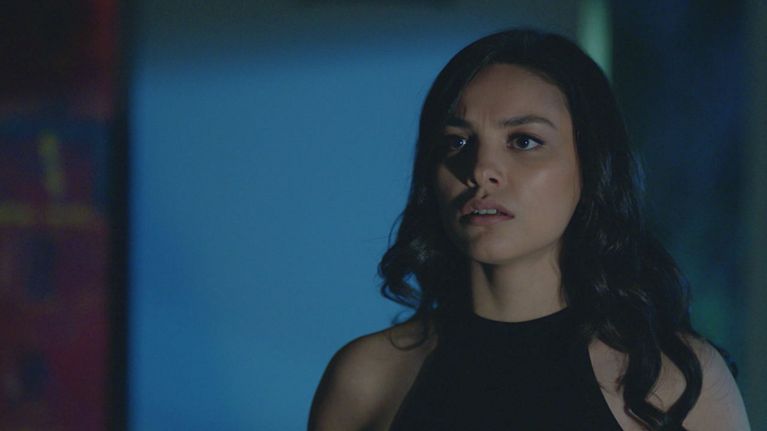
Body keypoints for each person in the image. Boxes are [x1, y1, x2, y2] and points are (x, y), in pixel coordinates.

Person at [308, 29, 750, 431]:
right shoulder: (367, 377)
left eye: (523, 141)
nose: (480, 170)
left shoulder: (672, 378)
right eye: (457, 142)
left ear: (591, 167)